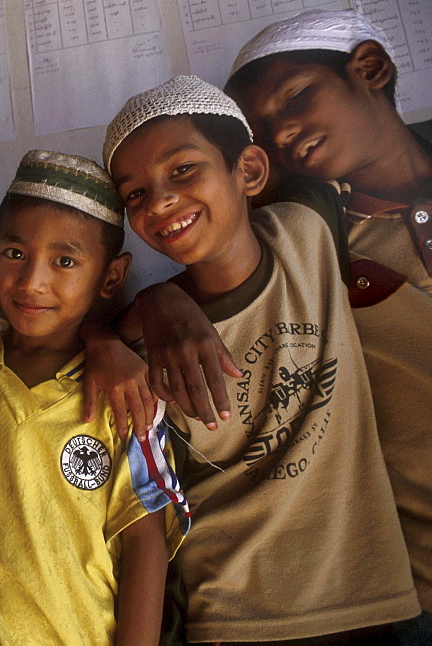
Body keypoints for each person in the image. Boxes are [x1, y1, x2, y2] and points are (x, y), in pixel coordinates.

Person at [103, 75, 419, 644]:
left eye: (182, 170)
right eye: (135, 194)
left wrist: (158, 300)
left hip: (370, 602)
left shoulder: (307, 233)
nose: (161, 201)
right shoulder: (141, 346)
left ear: (248, 171)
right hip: (234, 613)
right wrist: (151, 302)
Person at [225, 18, 432, 635]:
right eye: (260, 133)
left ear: (369, 69)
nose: (281, 131)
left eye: (294, 97)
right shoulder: (309, 250)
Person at [0, 150, 189, 645]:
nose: (33, 281)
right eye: (15, 253)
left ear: (111, 277)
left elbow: (145, 540)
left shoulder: (127, 396)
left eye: (64, 261)